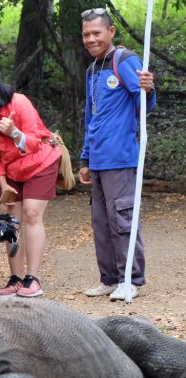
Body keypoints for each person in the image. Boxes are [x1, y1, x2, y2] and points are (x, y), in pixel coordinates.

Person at [79, 8, 156, 301]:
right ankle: (110, 278)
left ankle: (131, 278)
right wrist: (85, 159)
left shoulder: (124, 60)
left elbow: (143, 106)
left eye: (96, 33)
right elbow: (91, 117)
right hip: (98, 160)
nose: (91, 39)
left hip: (121, 158)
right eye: (86, 34)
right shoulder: (92, 70)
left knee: (123, 219)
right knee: (101, 222)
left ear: (111, 32)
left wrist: (148, 90)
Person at [0, 64, 61, 298]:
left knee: (30, 214)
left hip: (40, 162)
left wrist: (14, 132)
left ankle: (33, 278)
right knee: (12, 221)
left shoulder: (19, 103)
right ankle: (16, 278)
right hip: (10, 172)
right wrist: (3, 184)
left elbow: (35, 142)